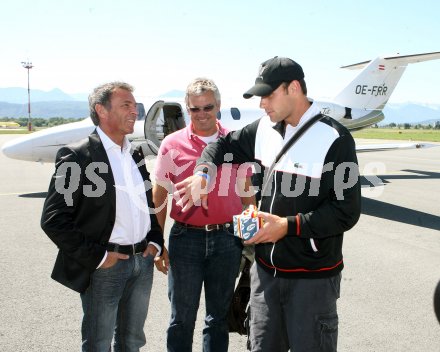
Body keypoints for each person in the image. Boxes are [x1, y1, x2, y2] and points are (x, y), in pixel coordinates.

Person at [174, 57, 362, 352]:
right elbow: (220, 145)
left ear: (294, 88)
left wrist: (287, 227)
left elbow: (346, 211)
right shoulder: (264, 129)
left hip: (311, 280)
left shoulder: (334, 138)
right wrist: (204, 173)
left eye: (268, 95)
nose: (262, 104)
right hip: (264, 275)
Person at [41, 81, 164, 352]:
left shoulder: (134, 153)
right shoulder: (76, 155)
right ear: (102, 110)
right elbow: (53, 219)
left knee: (132, 342)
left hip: (142, 263)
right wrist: (98, 258)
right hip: (105, 267)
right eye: (126, 105)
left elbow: (146, 202)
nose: (135, 111)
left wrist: (155, 240)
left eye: (134, 105)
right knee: (98, 344)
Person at [152, 77, 255, 352]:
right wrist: (157, 241)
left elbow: (247, 195)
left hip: (227, 240)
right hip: (185, 240)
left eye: (207, 107)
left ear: (218, 106)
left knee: (218, 319)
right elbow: (159, 195)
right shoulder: (172, 144)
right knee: (181, 319)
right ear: (187, 108)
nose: (202, 114)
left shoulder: (236, 143)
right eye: (195, 108)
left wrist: (253, 238)